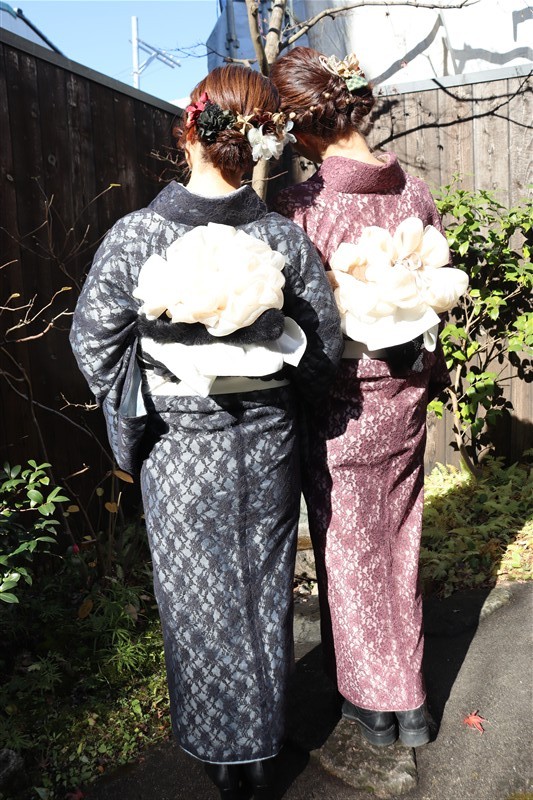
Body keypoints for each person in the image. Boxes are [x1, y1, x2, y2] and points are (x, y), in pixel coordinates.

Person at [70, 65, 343, 799]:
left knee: (195, 597)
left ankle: (224, 758)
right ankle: (261, 742)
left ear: (186, 133)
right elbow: (320, 350)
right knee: (260, 590)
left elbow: (94, 344)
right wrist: (285, 401)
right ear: (261, 141)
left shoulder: (138, 234)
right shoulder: (281, 237)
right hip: (265, 443)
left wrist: (140, 414)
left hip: (178, 447)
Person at [271, 47, 467, 749]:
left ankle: (375, 703)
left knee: (348, 545)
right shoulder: (414, 192)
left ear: (303, 127)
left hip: (340, 397)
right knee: (398, 535)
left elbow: (294, 321)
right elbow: (435, 290)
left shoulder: (303, 205)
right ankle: (409, 702)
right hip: (404, 385)